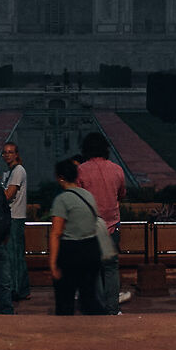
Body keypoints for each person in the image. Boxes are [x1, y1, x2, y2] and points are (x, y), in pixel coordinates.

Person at [75, 130, 129, 310]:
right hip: (111, 227)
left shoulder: (81, 171)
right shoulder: (117, 169)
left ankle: (97, 307)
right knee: (111, 268)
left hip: (90, 228)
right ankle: (112, 308)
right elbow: (121, 194)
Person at [47, 158, 107, 314]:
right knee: (89, 298)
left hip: (71, 252)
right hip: (91, 248)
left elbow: (56, 233)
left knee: (65, 301)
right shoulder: (88, 195)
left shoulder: (62, 200)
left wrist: (53, 264)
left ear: (60, 177)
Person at [0, 139, 29, 310]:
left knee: (14, 256)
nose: (7, 155)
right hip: (13, 217)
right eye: (5, 152)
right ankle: (21, 289)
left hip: (15, 217)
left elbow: (8, 195)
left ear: (16, 154)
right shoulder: (10, 172)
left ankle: (17, 290)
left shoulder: (18, 171)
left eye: (10, 152)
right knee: (15, 255)